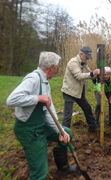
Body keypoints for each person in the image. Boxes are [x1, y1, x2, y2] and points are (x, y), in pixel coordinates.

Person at [6, 52, 76, 180]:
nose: (56, 70)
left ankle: (63, 169)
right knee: (39, 173)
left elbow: (49, 110)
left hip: (41, 125)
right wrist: (37, 98)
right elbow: (11, 99)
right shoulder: (34, 78)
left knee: (67, 133)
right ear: (52, 66)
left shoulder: (45, 82)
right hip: (29, 130)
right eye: (57, 67)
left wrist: (59, 130)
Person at [61, 46, 100, 132]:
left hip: (79, 92)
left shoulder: (84, 62)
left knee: (87, 108)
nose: (88, 59)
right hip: (69, 92)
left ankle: (93, 127)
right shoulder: (73, 62)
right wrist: (92, 73)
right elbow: (79, 76)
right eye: (87, 57)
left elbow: (89, 73)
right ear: (81, 54)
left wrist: (98, 75)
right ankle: (64, 134)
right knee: (67, 115)